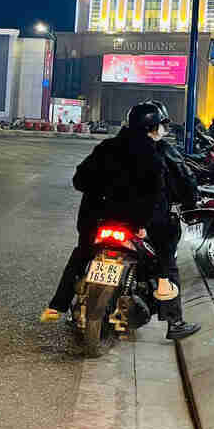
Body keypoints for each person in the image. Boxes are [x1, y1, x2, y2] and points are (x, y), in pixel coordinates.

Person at [40, 101, 166, 323]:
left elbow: (79, 180)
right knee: (153, 260)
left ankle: (57, 306)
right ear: (151, 128)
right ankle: (160, 309)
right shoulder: (153, 156)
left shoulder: (106, 147)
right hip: (131, 224)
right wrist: (143, 225)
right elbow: (155, 196)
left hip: (94, 221)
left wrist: (101, 190)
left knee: (81, 256)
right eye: (160, 126)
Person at [148, 103, 201, 340]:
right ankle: (174, 322)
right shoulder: (163, 150)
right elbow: (185, 179)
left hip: (115, 215)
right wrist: (191, 203)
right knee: (167, 266)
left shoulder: (115, 148)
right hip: (156, 219)